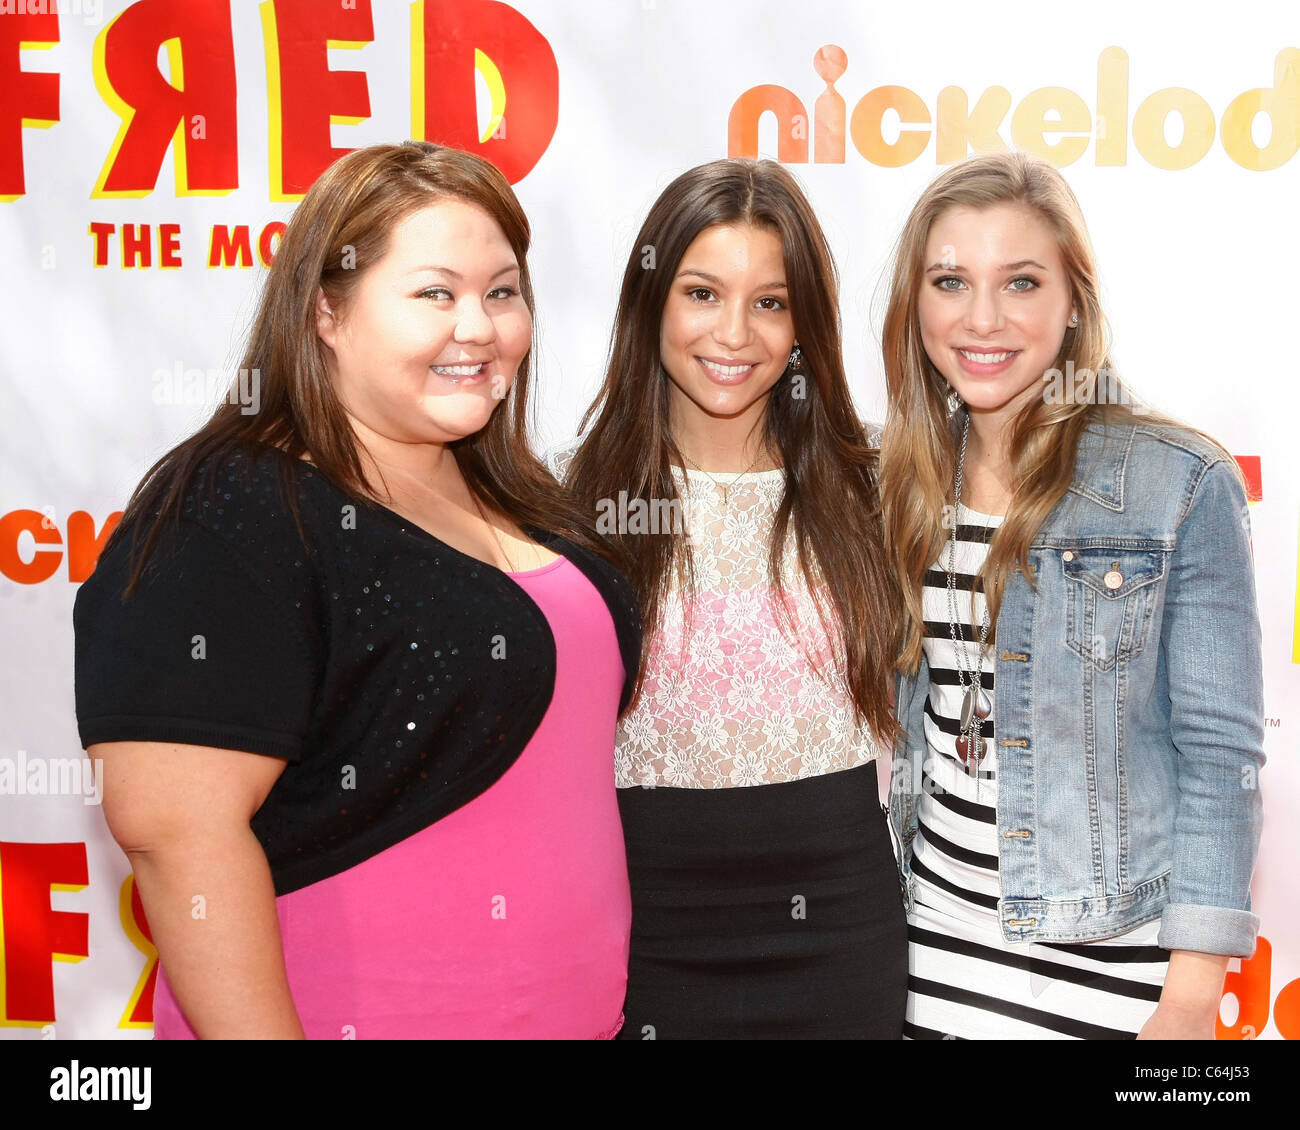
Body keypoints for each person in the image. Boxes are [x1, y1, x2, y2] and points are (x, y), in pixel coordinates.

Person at [73, 141, 641, 1040]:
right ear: (326, 310)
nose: (480, 327)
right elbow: (172, 832)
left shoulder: (514, 494)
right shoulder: (234, 509)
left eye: (502, 291)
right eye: (435, 292)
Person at [879, 150, 1265, 1039]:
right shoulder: (895, 481)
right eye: (950, 281)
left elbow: (1221, 758)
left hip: (1116, 973)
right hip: (926, 957)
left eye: (1020, 281)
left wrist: (1193, 1000)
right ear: (916, 302)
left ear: (1073, 301)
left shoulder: (1179, 482)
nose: (982, 318)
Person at [550, 158, 905, 1039]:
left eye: (771, 302)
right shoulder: (561, 503)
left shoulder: (873, 488)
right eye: (703, 293)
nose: (735, 333)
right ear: (653, 304)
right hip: (645, 921)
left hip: (840, 919)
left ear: (802, 326)